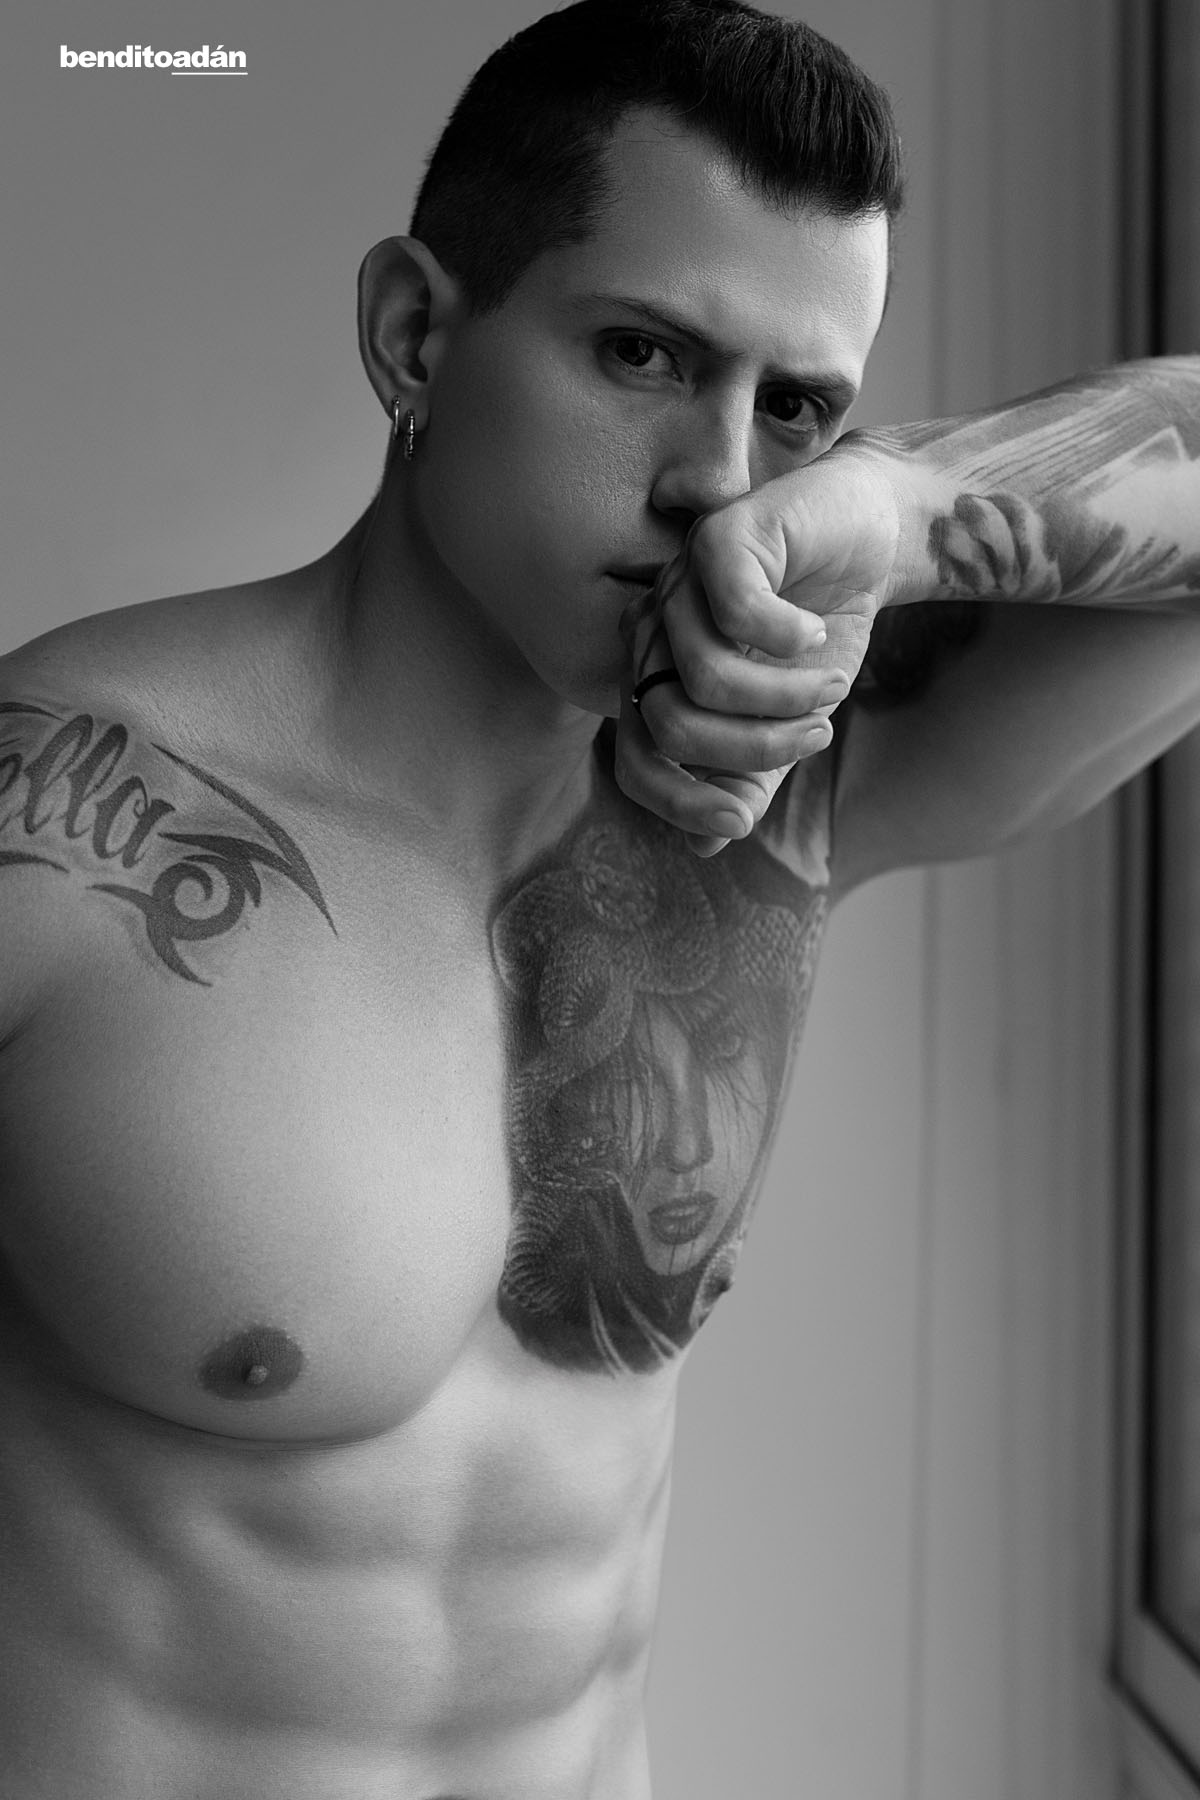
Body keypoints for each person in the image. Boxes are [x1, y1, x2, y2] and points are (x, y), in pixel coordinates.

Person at [0, 0, 1197, 1793]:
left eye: (797, 409)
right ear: (416, 333)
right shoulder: (61, 823)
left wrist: (899, 510)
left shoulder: (783, 799)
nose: (721, 479)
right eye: (642, 353)